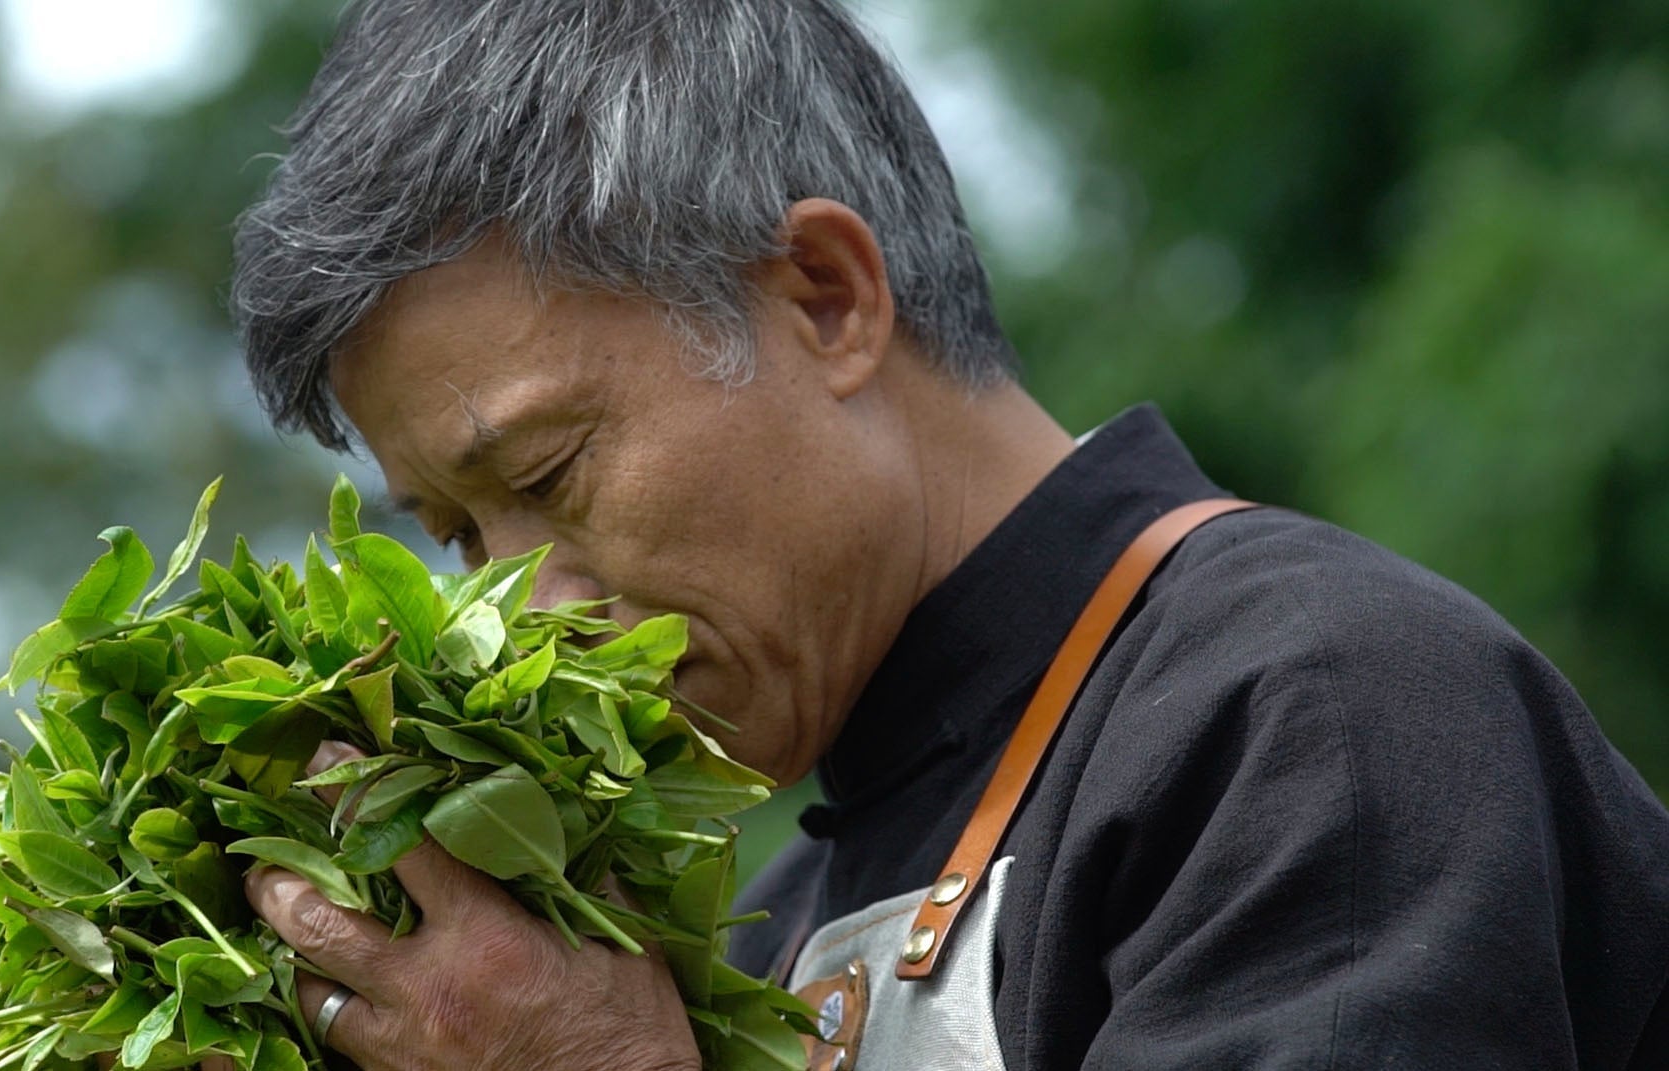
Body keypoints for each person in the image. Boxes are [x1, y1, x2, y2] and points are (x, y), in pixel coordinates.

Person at [226, 1, 1669, 1068]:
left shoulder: (1312, 711)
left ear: (825, 298)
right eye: (462, 538)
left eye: (547, 473)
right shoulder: (767, 928)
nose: (512, 618)